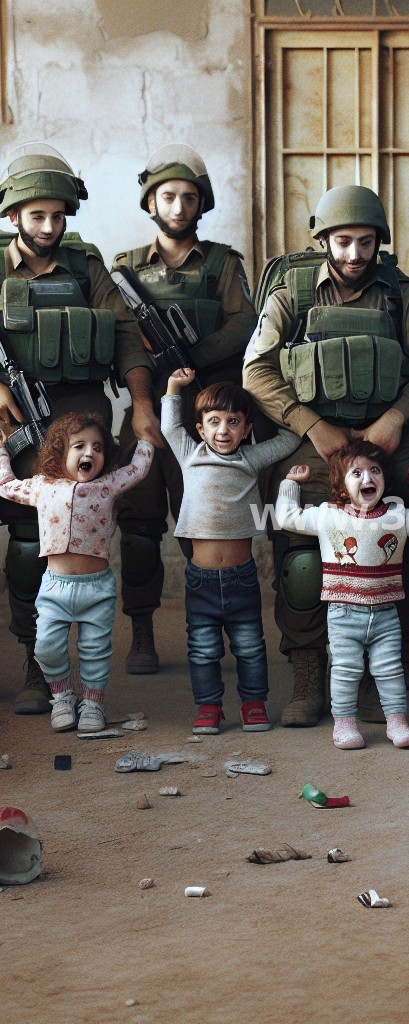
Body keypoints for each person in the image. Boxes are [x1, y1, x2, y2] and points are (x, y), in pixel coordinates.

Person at [243, 184, 409, 727]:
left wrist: (397, 416)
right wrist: (312, 424)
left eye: (365, 242)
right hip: (316, 443)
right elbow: (255, 370)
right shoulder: (292, 291)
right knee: (304, 561)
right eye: (343, 241)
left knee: (393, 546)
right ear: (324, 241)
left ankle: (390, 666)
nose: (355, 254)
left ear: (378, 242)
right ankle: (310, 674)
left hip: (384, 442)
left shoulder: (397, 291)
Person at [0, 143, 159, 715]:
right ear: (13, 216)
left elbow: (123, 335)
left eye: (58, 215)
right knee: (26, 539)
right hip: (17, 414)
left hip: (83, 414)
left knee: (92, 527)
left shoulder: (87, 266)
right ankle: (36, 664)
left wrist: (141, 404)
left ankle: (89, 673)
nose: (48, 226)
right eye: (36, 215)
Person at [113, 144, 259, 675]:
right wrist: (145, 402)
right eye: (168, 196)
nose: (178, 207)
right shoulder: (125, 269)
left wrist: (189, 360)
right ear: (151, 202)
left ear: (202, 204)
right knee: (139, 524)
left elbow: (245, 324)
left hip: (209, 421)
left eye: (188, 198)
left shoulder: (223, 263)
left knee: (210, 525)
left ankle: (219, 628)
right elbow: (124, 337)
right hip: (149, 414)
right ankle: (144, 631)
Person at [275, 441, 409, 750]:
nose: (366, 477)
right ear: (341, 484)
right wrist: (291, 484)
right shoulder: (328, 515)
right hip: (343, 613)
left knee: (390, 669)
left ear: (384, 478)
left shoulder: (396, 514)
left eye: (374, 470)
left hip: (385, 613)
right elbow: (287, 518)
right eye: (355, 472)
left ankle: (397, 722)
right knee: (345, 669)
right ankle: (344, 724)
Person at [161, 368, 301, 734]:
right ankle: (209, 708)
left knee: (251, 646)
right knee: (203, 649)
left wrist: (274, 403)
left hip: (241, 578)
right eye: (214, 422)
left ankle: (254, 704)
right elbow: (169, 428)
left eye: (233, 422)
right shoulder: (190, 454)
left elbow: (289, 440)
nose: (223, 430)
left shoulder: (250, 459)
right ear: (201, 428)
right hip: (200, 579)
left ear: (247, 429)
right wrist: (174, 387)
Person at [0, 413, 153, 732]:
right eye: (79, 446)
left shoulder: (108, 486)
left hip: (97, 590)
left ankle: (93, 704)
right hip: (55, 588)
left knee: (96, 651)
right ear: (59, 453)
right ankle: (62, 696)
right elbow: (7, 486)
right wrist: (2, 450)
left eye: (98, 447)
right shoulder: (43, 486)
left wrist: (147, 436)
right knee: (46, 647)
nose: (89, 453)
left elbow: (138, 469)